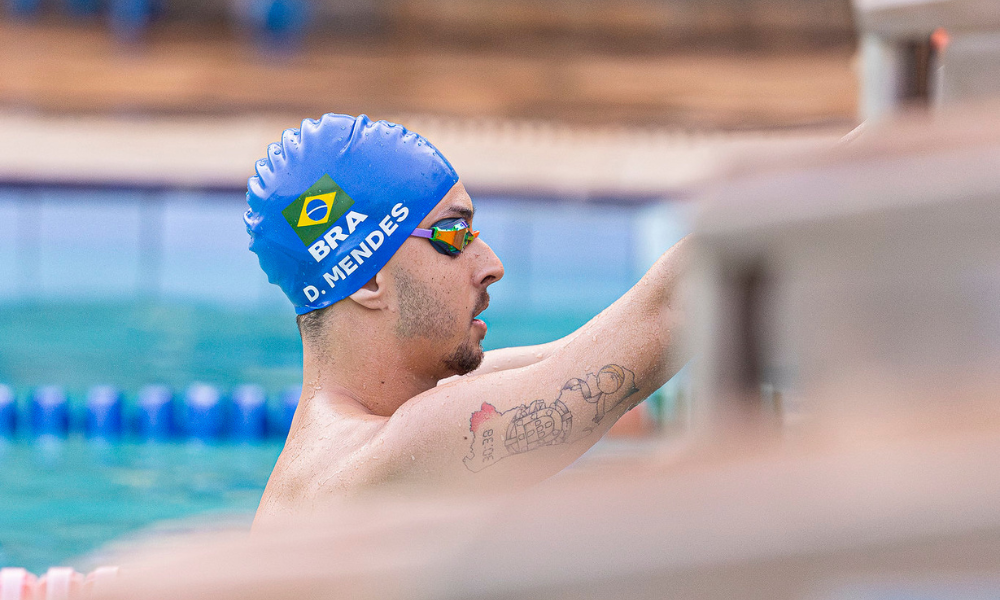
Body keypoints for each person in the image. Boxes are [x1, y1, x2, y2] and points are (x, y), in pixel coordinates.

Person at [246, 114, 689, 526]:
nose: (492, 265)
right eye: (453, 235)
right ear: (367, 281)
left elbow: (584, 353)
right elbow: (665, 314)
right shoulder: (368, 468)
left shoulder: (378, 434)